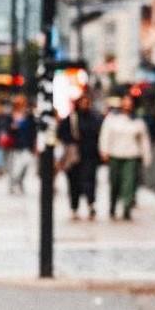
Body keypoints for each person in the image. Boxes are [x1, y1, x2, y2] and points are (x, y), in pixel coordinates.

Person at [99, 93, 152, 220]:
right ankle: (113, 206)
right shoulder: (112, 118)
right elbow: (105, 135)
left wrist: (146, 156)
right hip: (115, 155)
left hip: (131, 155)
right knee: (115, 183)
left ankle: (127, 209)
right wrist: (104, 151)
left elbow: (144, 140)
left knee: (129, 183)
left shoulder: (138, 121)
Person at [57, 92, 103, 220]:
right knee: (74, 183)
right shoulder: (71, 119)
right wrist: (72, 139)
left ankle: (90, 204)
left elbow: (99, 134)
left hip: (90, 155)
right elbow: (61, 134)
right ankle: (74, 207)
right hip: (74, 157)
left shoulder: (95, 118)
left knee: (89, 181)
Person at [6, 96, 36, 195]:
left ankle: (20, 182)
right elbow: (7, 129)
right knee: (15, 168)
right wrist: (12, 127)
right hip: (15, 146)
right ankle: (13, 184)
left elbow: (32, 131)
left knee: (25, 166)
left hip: (26, 145)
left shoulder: (29, 115)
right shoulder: (11, 116)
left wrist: (33, 144)